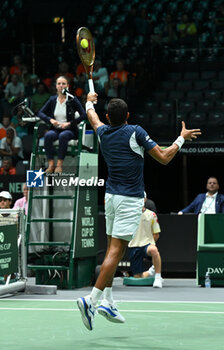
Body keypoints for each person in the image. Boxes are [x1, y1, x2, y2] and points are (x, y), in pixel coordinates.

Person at [77, 92, 201, 331]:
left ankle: (108, 301)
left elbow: (91, 116)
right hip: (129, 199)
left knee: (115, 246)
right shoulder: (135, 131)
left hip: (111, 197)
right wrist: (181, 138)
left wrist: (89, 101)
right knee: (116, 249)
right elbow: (164, 157)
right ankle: (90, 300)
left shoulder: (102, 131)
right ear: (128, 116)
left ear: (107, 117)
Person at [38, 76, 87, 173]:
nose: (61, 86)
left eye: (63, 84)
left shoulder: (72, 99)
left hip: (70, 130)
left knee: (63, 135)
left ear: (67, 86)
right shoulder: (52, 100)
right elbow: (40, 113)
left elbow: (84, 115)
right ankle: (51, 165)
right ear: (56, 86)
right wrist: (50, 120)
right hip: (56, 129)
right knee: (48, 135)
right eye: (59, 84)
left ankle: (59, 165)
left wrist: (70, 123)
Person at [128, 202, 163, 288]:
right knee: (138, 278)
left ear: (144, 200)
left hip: (147, 245)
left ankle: (158, 277)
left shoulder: (152, 215)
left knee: (154, 250)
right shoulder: (129, 214)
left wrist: (151, 242)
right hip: (133, 246)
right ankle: (151, 271)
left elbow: (156, 234)